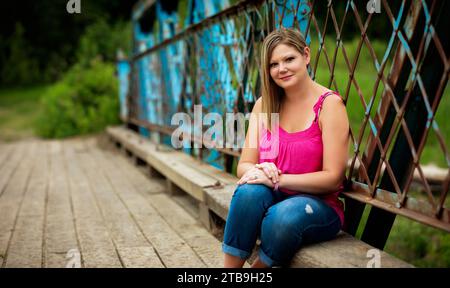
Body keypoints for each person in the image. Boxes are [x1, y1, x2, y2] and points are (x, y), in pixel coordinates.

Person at [222, 27, 349, 268]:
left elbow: (333, 179)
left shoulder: (330, 105)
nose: (282, 69)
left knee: (282, 217)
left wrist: (278, 179)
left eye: (289, 59)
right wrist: (260, 170)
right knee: (248, 193)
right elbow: (244, 166)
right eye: (273, 64)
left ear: (306, 55)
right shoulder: (265, 105)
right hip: (275, 196)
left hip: (318, 207)